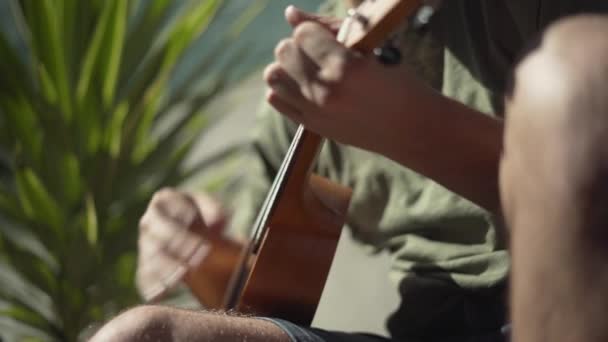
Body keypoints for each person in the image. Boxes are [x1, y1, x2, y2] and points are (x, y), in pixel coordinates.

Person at [90, 1, 608, 341]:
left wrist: (409, 125)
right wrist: (192, 245)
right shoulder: (307, 71)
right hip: (422, 330)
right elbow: (255, 291)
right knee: (140, 335)